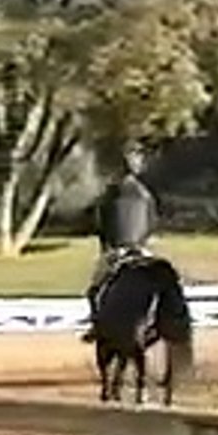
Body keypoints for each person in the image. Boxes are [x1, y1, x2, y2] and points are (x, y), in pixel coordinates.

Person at [81, 146, 159, 343]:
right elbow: (152, 221)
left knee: (94, 289)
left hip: (117, 248)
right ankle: (157, 321)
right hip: (141, 247)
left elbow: (101, 222)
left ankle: (96, 324)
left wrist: (105, 243)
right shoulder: (145, 194)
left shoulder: (111, 193)